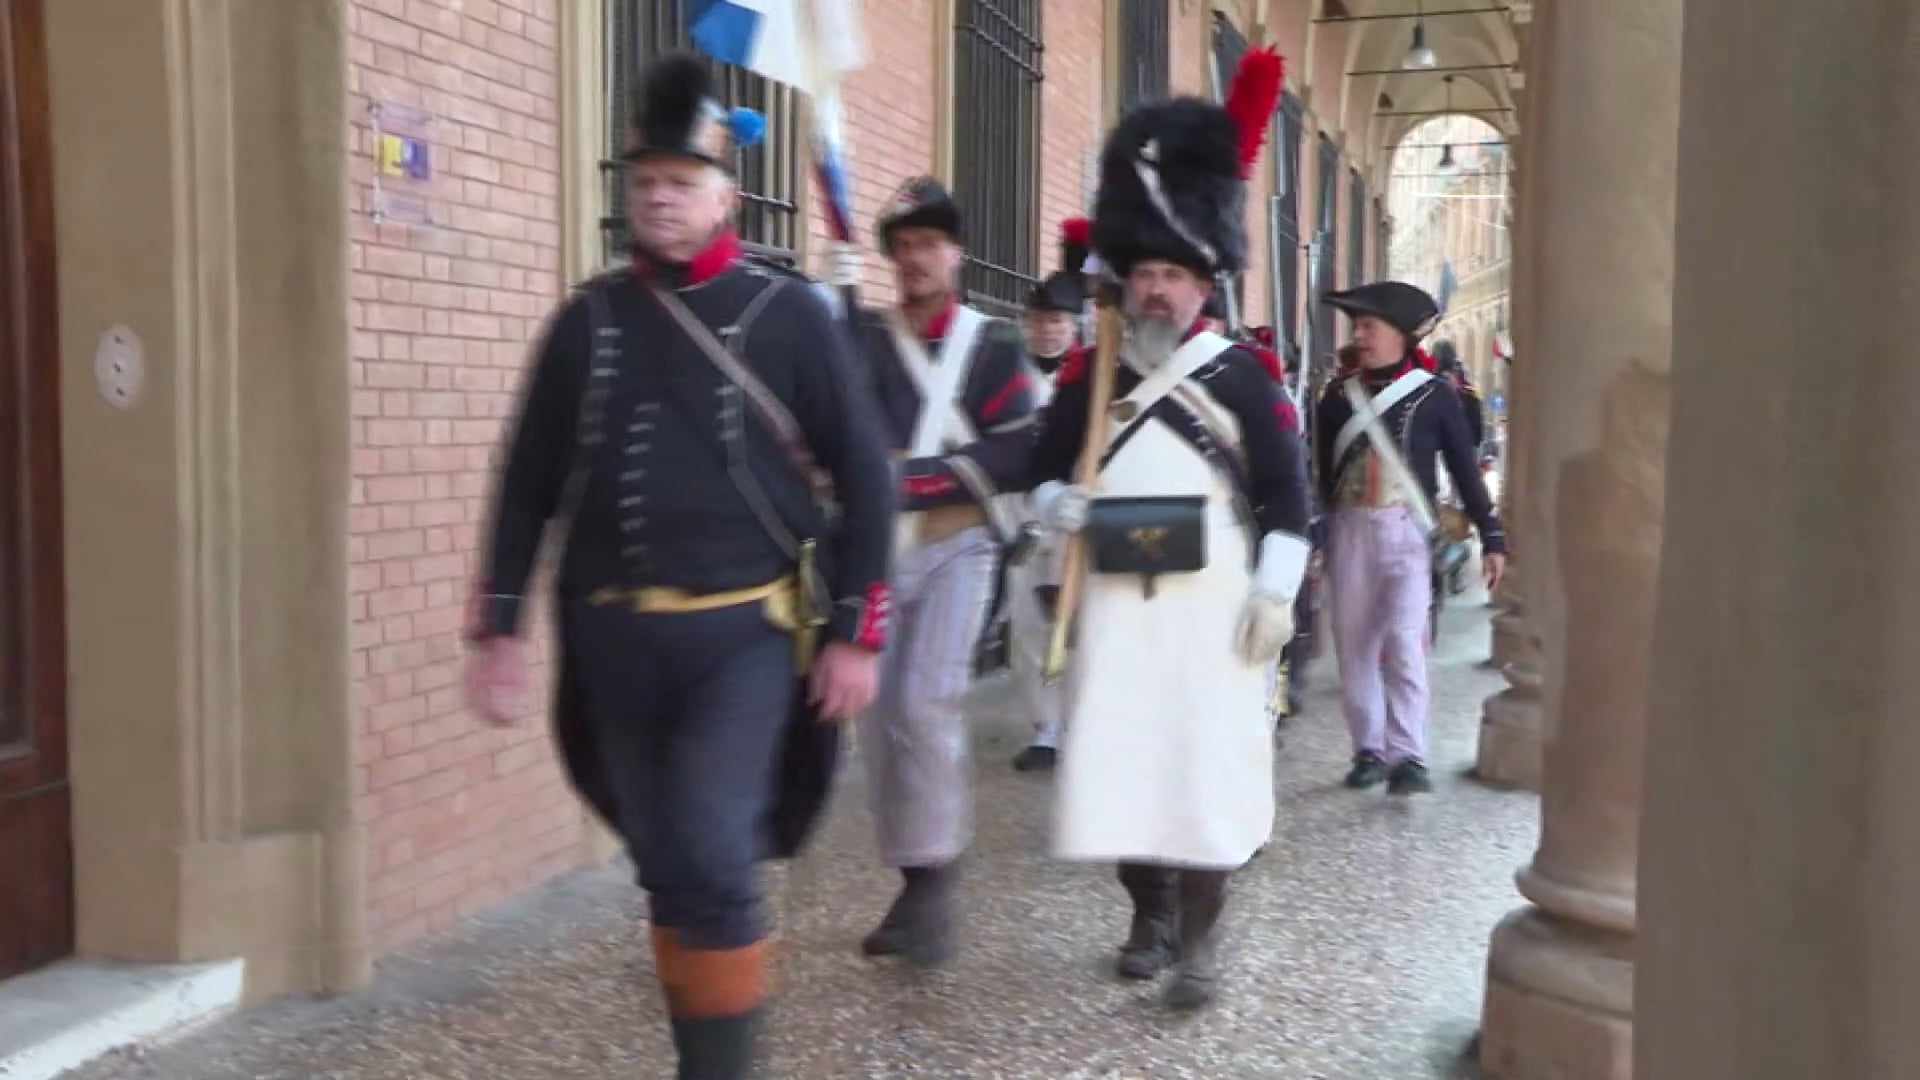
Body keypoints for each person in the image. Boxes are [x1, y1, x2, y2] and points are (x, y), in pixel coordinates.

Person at [462, 55, 895, 1078]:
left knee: (708, 849)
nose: (659, 198)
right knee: (667, 863)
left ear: (724, 196)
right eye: (645, 181)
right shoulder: (588, 318)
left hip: (742, 638)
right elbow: (527, 478)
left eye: (681, 183)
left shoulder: (793, 318)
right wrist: (498, 626)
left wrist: (854, 632)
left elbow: (868, 483)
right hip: (611, 638)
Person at [1028, 61, 1310, 1010]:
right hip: (1113, 603)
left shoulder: (1245, 381)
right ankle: (1145, 915)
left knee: (1206, 777)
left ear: (1204, 284)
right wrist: (1049, 507)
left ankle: (1198, 943)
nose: (1155, 290)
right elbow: (1041, 466)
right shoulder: (1091, 377)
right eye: (1143, 272)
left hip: (1215, 614)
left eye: (1173, 275)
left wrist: (1276, 593)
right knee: (1121, 770)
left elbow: (1289, 497)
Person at [852, 176, 1039, 966]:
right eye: (903, 247)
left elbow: (1016, 449)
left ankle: (934, 886)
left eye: (929, 244)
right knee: (880, 717)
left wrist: (907, 476)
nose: (915, 259)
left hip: (961, 544)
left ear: (955, 253)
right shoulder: (862, 338)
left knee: (928, 704)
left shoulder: (992, 346)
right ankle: (912, 870)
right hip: (879, 552)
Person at [1314, 282, 1507, 795]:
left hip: (1407, 531)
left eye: (1369, 327)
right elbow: (1317, 474)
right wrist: (1314, 539)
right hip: (1349, 528)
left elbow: (1465, 470)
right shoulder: (1336, 397)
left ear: (1399, 335)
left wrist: (1492, 536)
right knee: (1355, 645)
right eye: (1357, 328)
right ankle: (1368, 750)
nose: (1360, 337)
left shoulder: (1435, 394)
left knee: (1404, 641)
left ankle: (1409, 754)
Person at [1005, 222, 1090, 773]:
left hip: (1075, 516)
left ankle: (1080, 723)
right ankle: (1045, 729)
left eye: (1056, 321)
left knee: (1078, 626)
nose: (1046, 330)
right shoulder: (1005, 375)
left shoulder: (1086, 381)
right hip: (1022, 514)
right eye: (1038, 321)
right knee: (1027, 627)